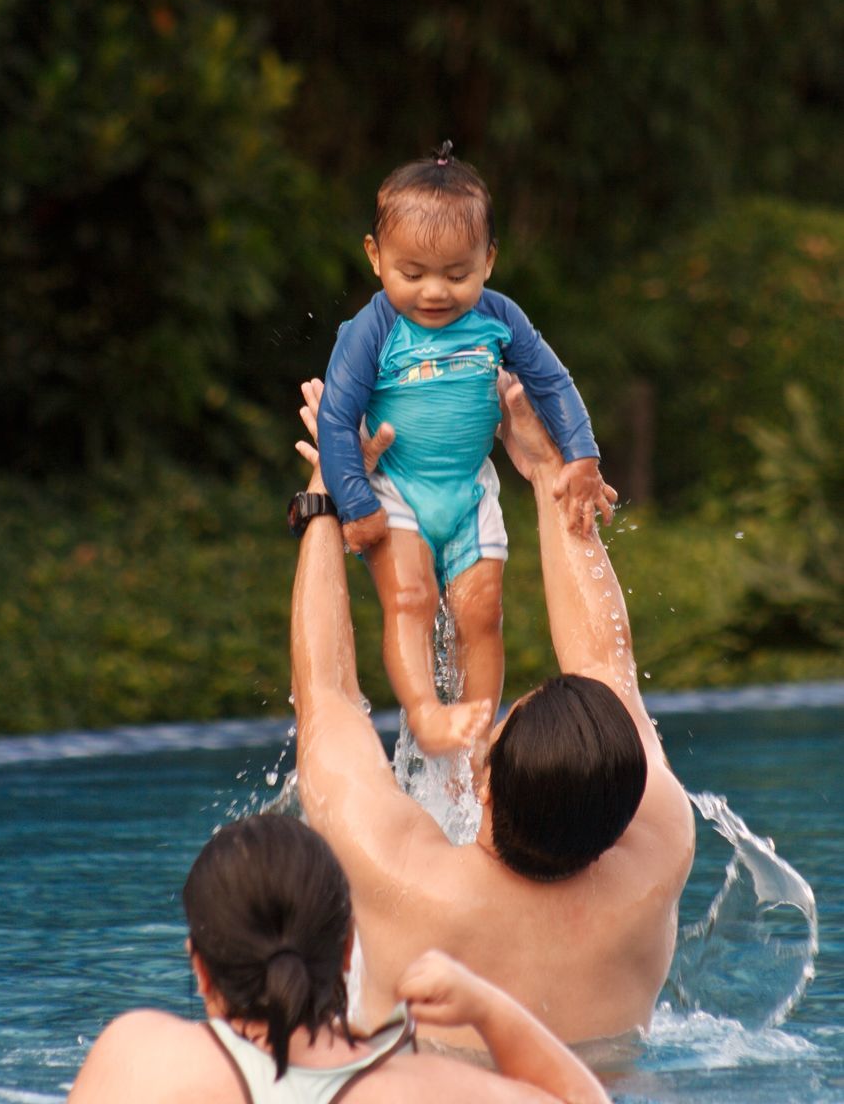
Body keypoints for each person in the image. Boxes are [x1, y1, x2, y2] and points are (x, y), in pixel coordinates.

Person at [291, 374, 695, 1053]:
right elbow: (605, 666)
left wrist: (326, 501)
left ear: (483, 781)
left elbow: (326, 697)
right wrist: (546, 473)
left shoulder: (398, 875)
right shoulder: (657, 849)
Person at [316, 141, 614, 756]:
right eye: (413, 273)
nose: (435, 292)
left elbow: (552, 382)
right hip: (396, 488)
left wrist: (582, 456)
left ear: (489, 260)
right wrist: (354, 503)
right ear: (375, 258)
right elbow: (337, 416)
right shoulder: (373, 329)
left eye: (457, 275)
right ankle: (426, 714)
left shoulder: (499, 319)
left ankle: (478, 737)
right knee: (411, 599)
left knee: (481, 614)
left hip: (470, 490)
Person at [68, 813, 610, 1104]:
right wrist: (488, 1007)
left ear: (201, 968)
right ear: (348, 946)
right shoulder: (424, 1089)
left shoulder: (138, 1057)